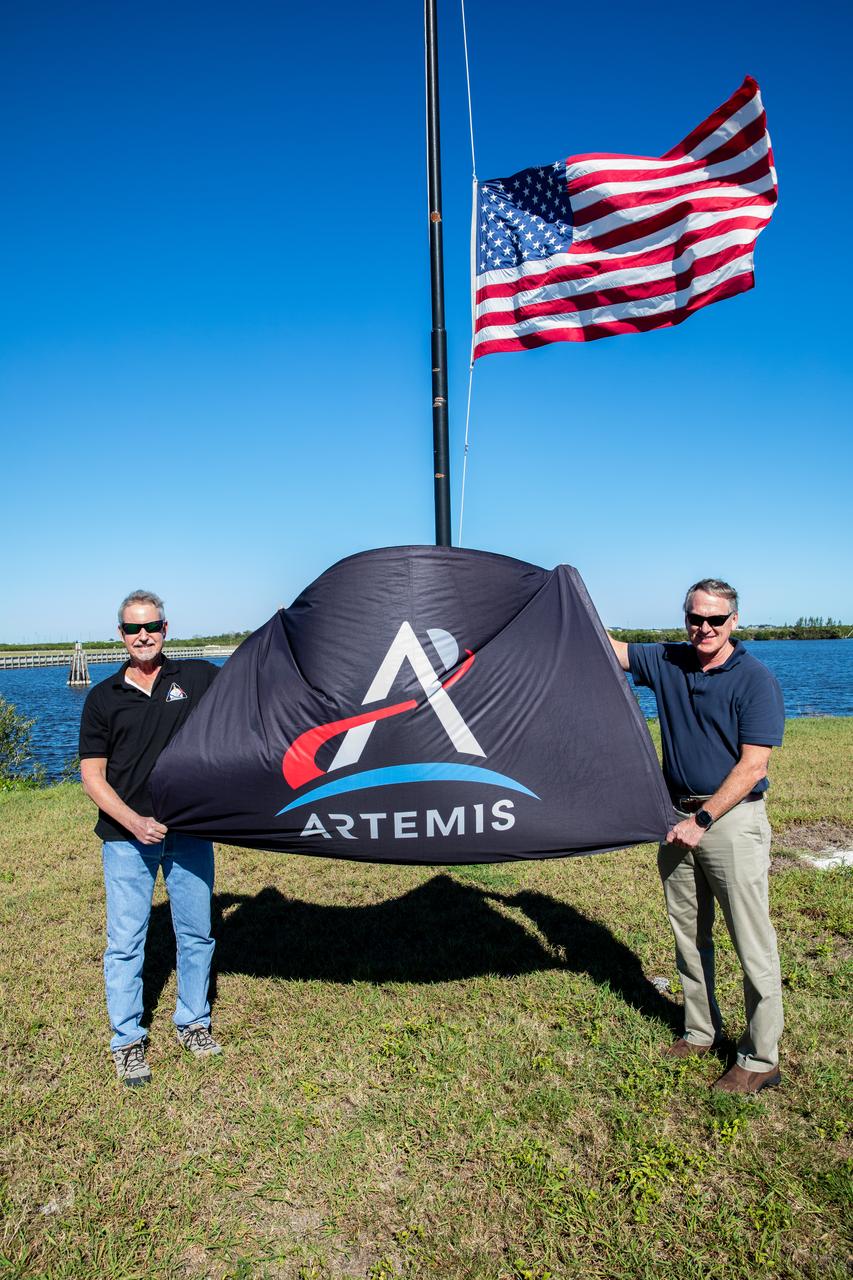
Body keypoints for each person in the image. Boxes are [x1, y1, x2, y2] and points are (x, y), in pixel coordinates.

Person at [609, 579, 785, 1094]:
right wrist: (558, 597)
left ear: (735, 621)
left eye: (715, 619)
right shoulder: (669, 660)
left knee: (752, 942)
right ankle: (700, 1030)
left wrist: (702, 820)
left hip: (729, 822)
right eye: (695, 618)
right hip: (675, 818)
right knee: (688, 933)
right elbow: (607, 649)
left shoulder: (755, 680)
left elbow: (753, 766)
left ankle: (759, 1059)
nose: (703, 628)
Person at [80, 590, 221, 1086]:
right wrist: (134, 821)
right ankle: (127, 1040)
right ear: (120, 635)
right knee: (126, 942)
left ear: (166, 628)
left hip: (189, 833)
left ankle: (194, 1021)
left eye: (153, 626)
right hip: (125, 839)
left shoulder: (198, 677)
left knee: (197, 932)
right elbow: (93, 777)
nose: (144, 636)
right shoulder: (102, 698)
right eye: (134, 628)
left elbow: (252, 697)